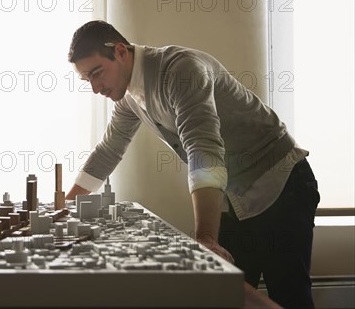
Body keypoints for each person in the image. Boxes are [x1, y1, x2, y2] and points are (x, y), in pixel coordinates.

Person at [65, 20, 320, 309]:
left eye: (97, 73)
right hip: (234, 195)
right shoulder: (129, 98)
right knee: (223, 295)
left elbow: (203, 148)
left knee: (289, 296)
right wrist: (65, 208)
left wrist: (206, 237)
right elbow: (108, 151)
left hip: (281, 183)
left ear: (121, 51)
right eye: (88, 80)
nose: (96, 88)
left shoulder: (181, 69)